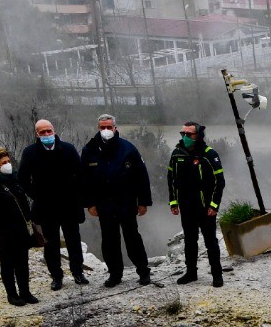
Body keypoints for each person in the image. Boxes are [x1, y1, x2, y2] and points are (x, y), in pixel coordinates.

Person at [80, 114, 152, 287]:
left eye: (109, 127)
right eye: (102, 128)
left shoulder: (128, 149)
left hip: (126, 203)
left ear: (115, 128)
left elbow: (142, 177)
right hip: (104, 204)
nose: (106, 131)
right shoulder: (89, 150)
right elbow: (84, 180)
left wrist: (143, 202)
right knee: (110, 241)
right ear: (98, 128)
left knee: (133, 238)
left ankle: (143, 271)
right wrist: (89, 204)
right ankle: (115, 274)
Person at [17, 118, 89, 290]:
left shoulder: (69, 149)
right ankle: (56, 276)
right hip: (46, 207)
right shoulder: (30, 153)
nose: (47, 134)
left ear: (54, 131)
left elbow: (80, 175)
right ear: (37, 134)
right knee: (51, 244)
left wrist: (78, 198)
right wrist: (37, 195)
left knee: (73, 240)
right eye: (43, 132)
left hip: (69, 205)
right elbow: (23, 179)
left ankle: (78, 272)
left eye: (49, 131)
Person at [0, 147, 40, 307]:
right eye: (4, 162)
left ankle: (25, 292)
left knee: (22, 262)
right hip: (3, 230)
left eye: (8, 161)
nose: (8, 164)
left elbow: (23, 202)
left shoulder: (14, 179)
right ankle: (12, 295)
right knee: (7, 264)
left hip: (20, 228)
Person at [166, 121, 225, 287]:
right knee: (189, 241)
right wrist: (173, 202)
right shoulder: (177, 154)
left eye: (189, 134)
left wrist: (214, 205)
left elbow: (219, 182)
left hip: (205, 208)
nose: (185, 137)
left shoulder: (209, 154)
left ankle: (217, 275)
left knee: (210, 242)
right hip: (186, 207)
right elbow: (171, 180)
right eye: (182, 133)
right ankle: (191, 273)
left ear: (198, 135)